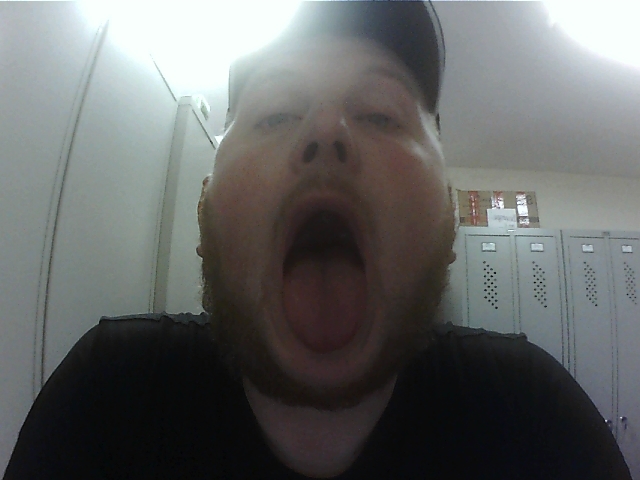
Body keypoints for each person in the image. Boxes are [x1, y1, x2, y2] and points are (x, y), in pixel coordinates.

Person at [4, 2, 632, 479]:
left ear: (446, 212)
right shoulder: (106, 400)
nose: (326, 130)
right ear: (205, 206)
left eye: (380, 113)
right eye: (275, 113)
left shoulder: (535, 420)